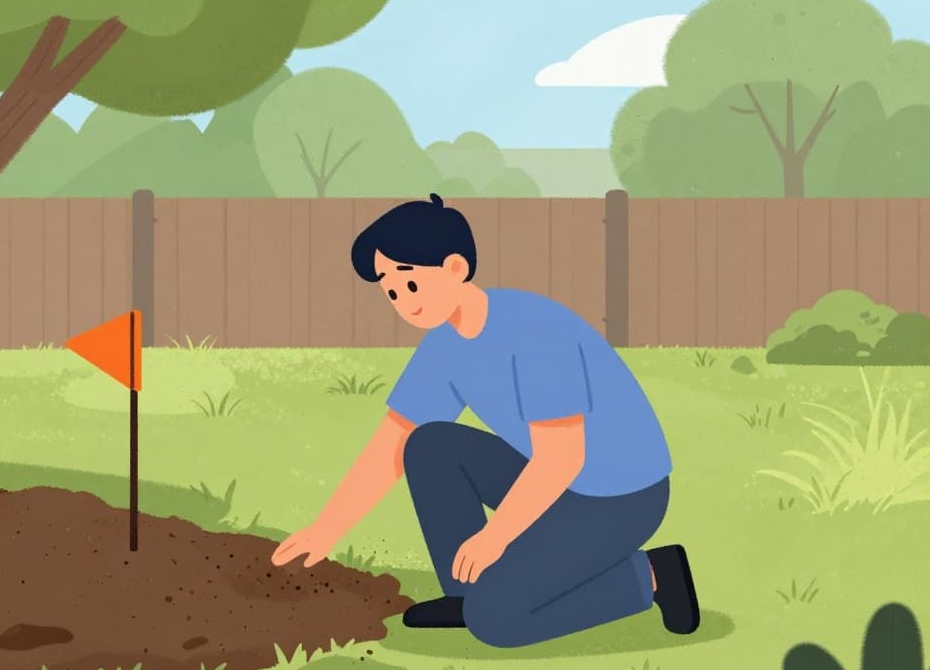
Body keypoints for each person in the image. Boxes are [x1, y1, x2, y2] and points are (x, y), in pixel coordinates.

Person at [270, 193, 700, 647]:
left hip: (620, 496)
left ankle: (650, 575)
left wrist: (495, 536)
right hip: (558, 485)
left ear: (455, 268)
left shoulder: (535, 332)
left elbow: (562, 459)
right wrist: (327, 528)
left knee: (499, 622)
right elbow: (396, 439)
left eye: (411, 285)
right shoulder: (445, 343)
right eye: (391, 291)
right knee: (429, 445)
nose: (403, 302)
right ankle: (468, 593)